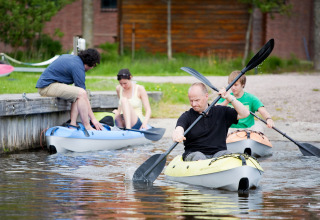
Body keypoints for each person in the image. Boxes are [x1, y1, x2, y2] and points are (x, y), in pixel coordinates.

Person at [172, 82, 250, 161]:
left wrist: (229, 98)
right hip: (194, 154)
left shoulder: (221, 111)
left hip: (218, 154)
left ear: (206, 96)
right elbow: (179, 128)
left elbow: (245, 113)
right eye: (191, 101)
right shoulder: (187, 116)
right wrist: (177, 134)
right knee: (199, 156)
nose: (194, 104)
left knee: (227, 154)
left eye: (197, 100)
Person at [36, 48, 103, 131]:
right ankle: (87, 126)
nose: (92, 68)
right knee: (81, 93)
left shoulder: (74, 59)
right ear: (91, 64)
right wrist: (94, 119)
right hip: (46, 87)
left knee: (79, 93)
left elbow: (80, 93)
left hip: (50, 85)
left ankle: (73, 124)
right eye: (94, 65)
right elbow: (83, 94)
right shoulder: (78, 67)